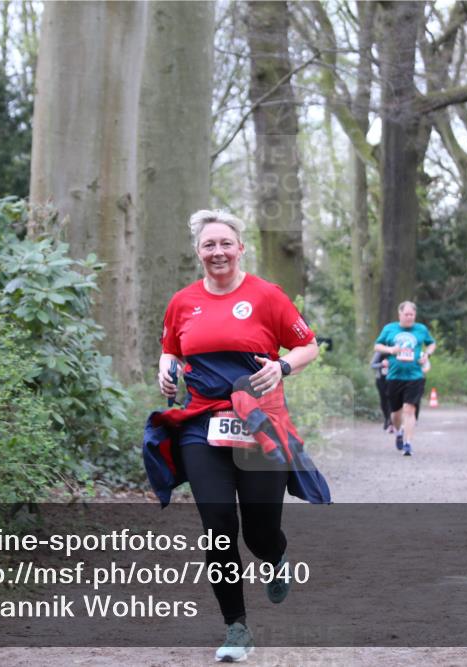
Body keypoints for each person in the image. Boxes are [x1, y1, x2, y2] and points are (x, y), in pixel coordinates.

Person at [144, 209, 328, 663]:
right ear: (198, 253)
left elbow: (309, 345)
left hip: (259, 423)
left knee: (260, 532)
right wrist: (166, 374)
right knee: (219, 528)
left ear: (240, 247)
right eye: (209, 245)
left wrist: (282, 365)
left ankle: (275, 556)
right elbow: (169, 351)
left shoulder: (267, 296)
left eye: (226, 243)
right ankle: (236, 629)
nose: (218, 251)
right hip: (202, 423)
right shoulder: (182, 302)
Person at [373, 302, 436, 456]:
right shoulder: (389, 329)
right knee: (396, 413)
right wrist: (390, 349)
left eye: (412, 315)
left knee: (410, 409)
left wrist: (427, 355)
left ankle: (408, 443)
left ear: (415, 315)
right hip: (394, 376)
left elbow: (431, 344)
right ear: (399, 314)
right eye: (406, 314)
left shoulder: (421, 329)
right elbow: (377, 346)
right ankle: (399, 432)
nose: (409, 317)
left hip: (415, 376)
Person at [370, 352, 392, 431]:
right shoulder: (379, 353)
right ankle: (386, 418)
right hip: (380, 379)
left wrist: (391, 364)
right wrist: (381, 364)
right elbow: (372, 365)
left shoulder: (395, 352)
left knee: (392, 398)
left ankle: (391, 420)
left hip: (392, 379)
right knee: (383, 399)